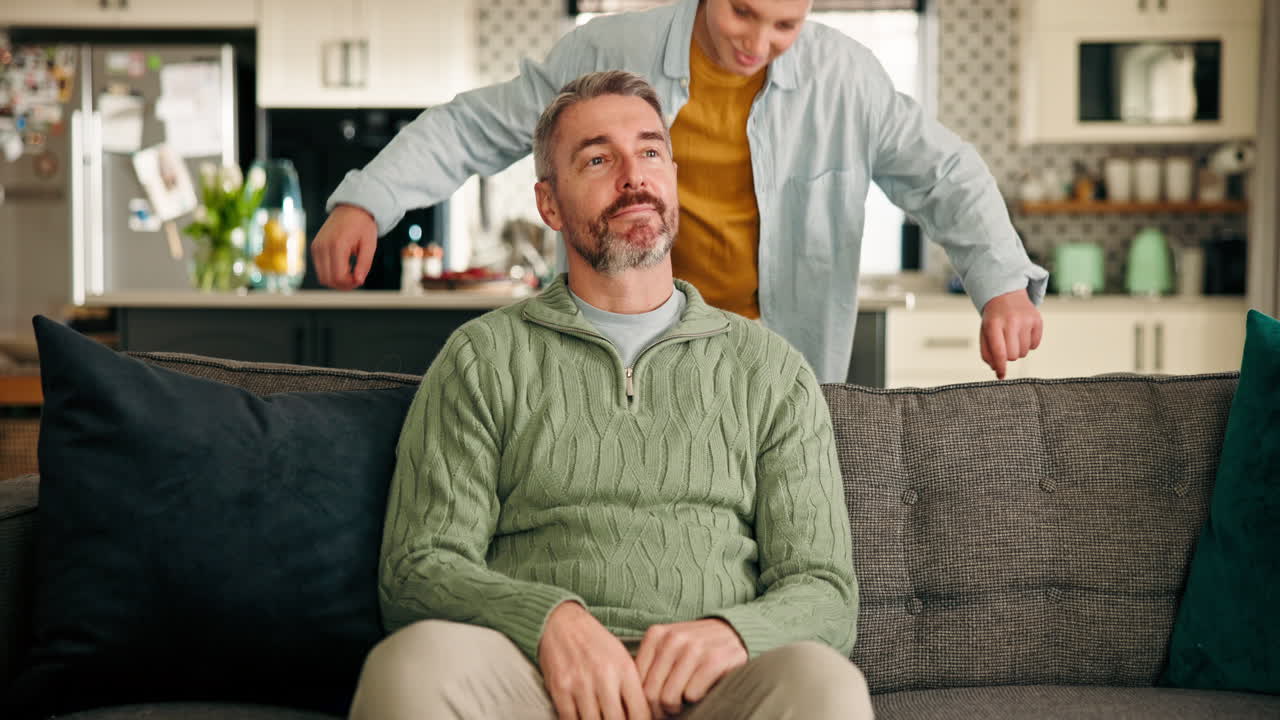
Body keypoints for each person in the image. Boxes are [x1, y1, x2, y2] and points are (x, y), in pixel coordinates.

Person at [349, 70, 871, 720]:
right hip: (534, 684)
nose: (633, 175)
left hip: (714, 694)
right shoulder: (482, 358)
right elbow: (418, 566)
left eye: (651, 151)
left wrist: (736, 635)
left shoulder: (770, 370)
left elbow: (824, 591)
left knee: (824, 683)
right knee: (411, 666)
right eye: (598, 158)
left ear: (673, 178)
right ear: (550, 204)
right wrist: (548, 621)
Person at [312, 0, 1047, 384]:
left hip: (775, 369)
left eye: (785, 23)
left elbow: (943, 173)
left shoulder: (847, 79)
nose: (756, 42)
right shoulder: (609, 52)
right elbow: (480, 125)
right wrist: (367, 199)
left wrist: (1003, 284)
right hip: (628, 357)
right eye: (741, 12)